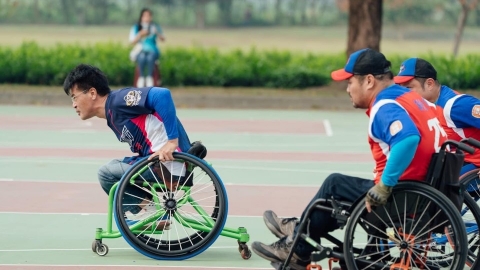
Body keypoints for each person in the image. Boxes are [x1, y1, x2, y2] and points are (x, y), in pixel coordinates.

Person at [251, 48, 448, 270]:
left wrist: (384, 185)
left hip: (402, 199)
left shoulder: (384, 106)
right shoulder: (412, 98)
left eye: (350, 82)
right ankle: (299, 231)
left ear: (369, 81)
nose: (347, 89)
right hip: (424, 196)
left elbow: (408, 138)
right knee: (340, 196)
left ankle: (297, 248)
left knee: (334, 185)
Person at [63, 63, 191, 229]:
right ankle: (149, 211)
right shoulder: (112, 114)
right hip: (157, 163)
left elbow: (162, 95)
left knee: (106, 174)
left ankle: (150, 212)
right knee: (115, 166)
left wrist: (172, 141)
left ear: (92, 93)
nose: (73, 104)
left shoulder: (119, 100)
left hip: (168, 163)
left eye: (74, 97)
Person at [394, 57, 480, 175]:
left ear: (429, 84)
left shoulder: (455, 105)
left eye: (409, 88)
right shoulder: (423, 107)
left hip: (473, 166)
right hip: (454, 161)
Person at [129, 8, 165, 88]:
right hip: (140, 50)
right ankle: (141, 78)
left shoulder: (155, 26)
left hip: (152, 50)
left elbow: (163, 39)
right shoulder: (137, 27)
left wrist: (157, 32)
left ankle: (149, 77)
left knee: (150, 57)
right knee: (141, 57)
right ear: (141, 17)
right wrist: (140, 34)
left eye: (148, 16)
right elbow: (132, 42)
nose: (147, 18)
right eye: (145, 16)